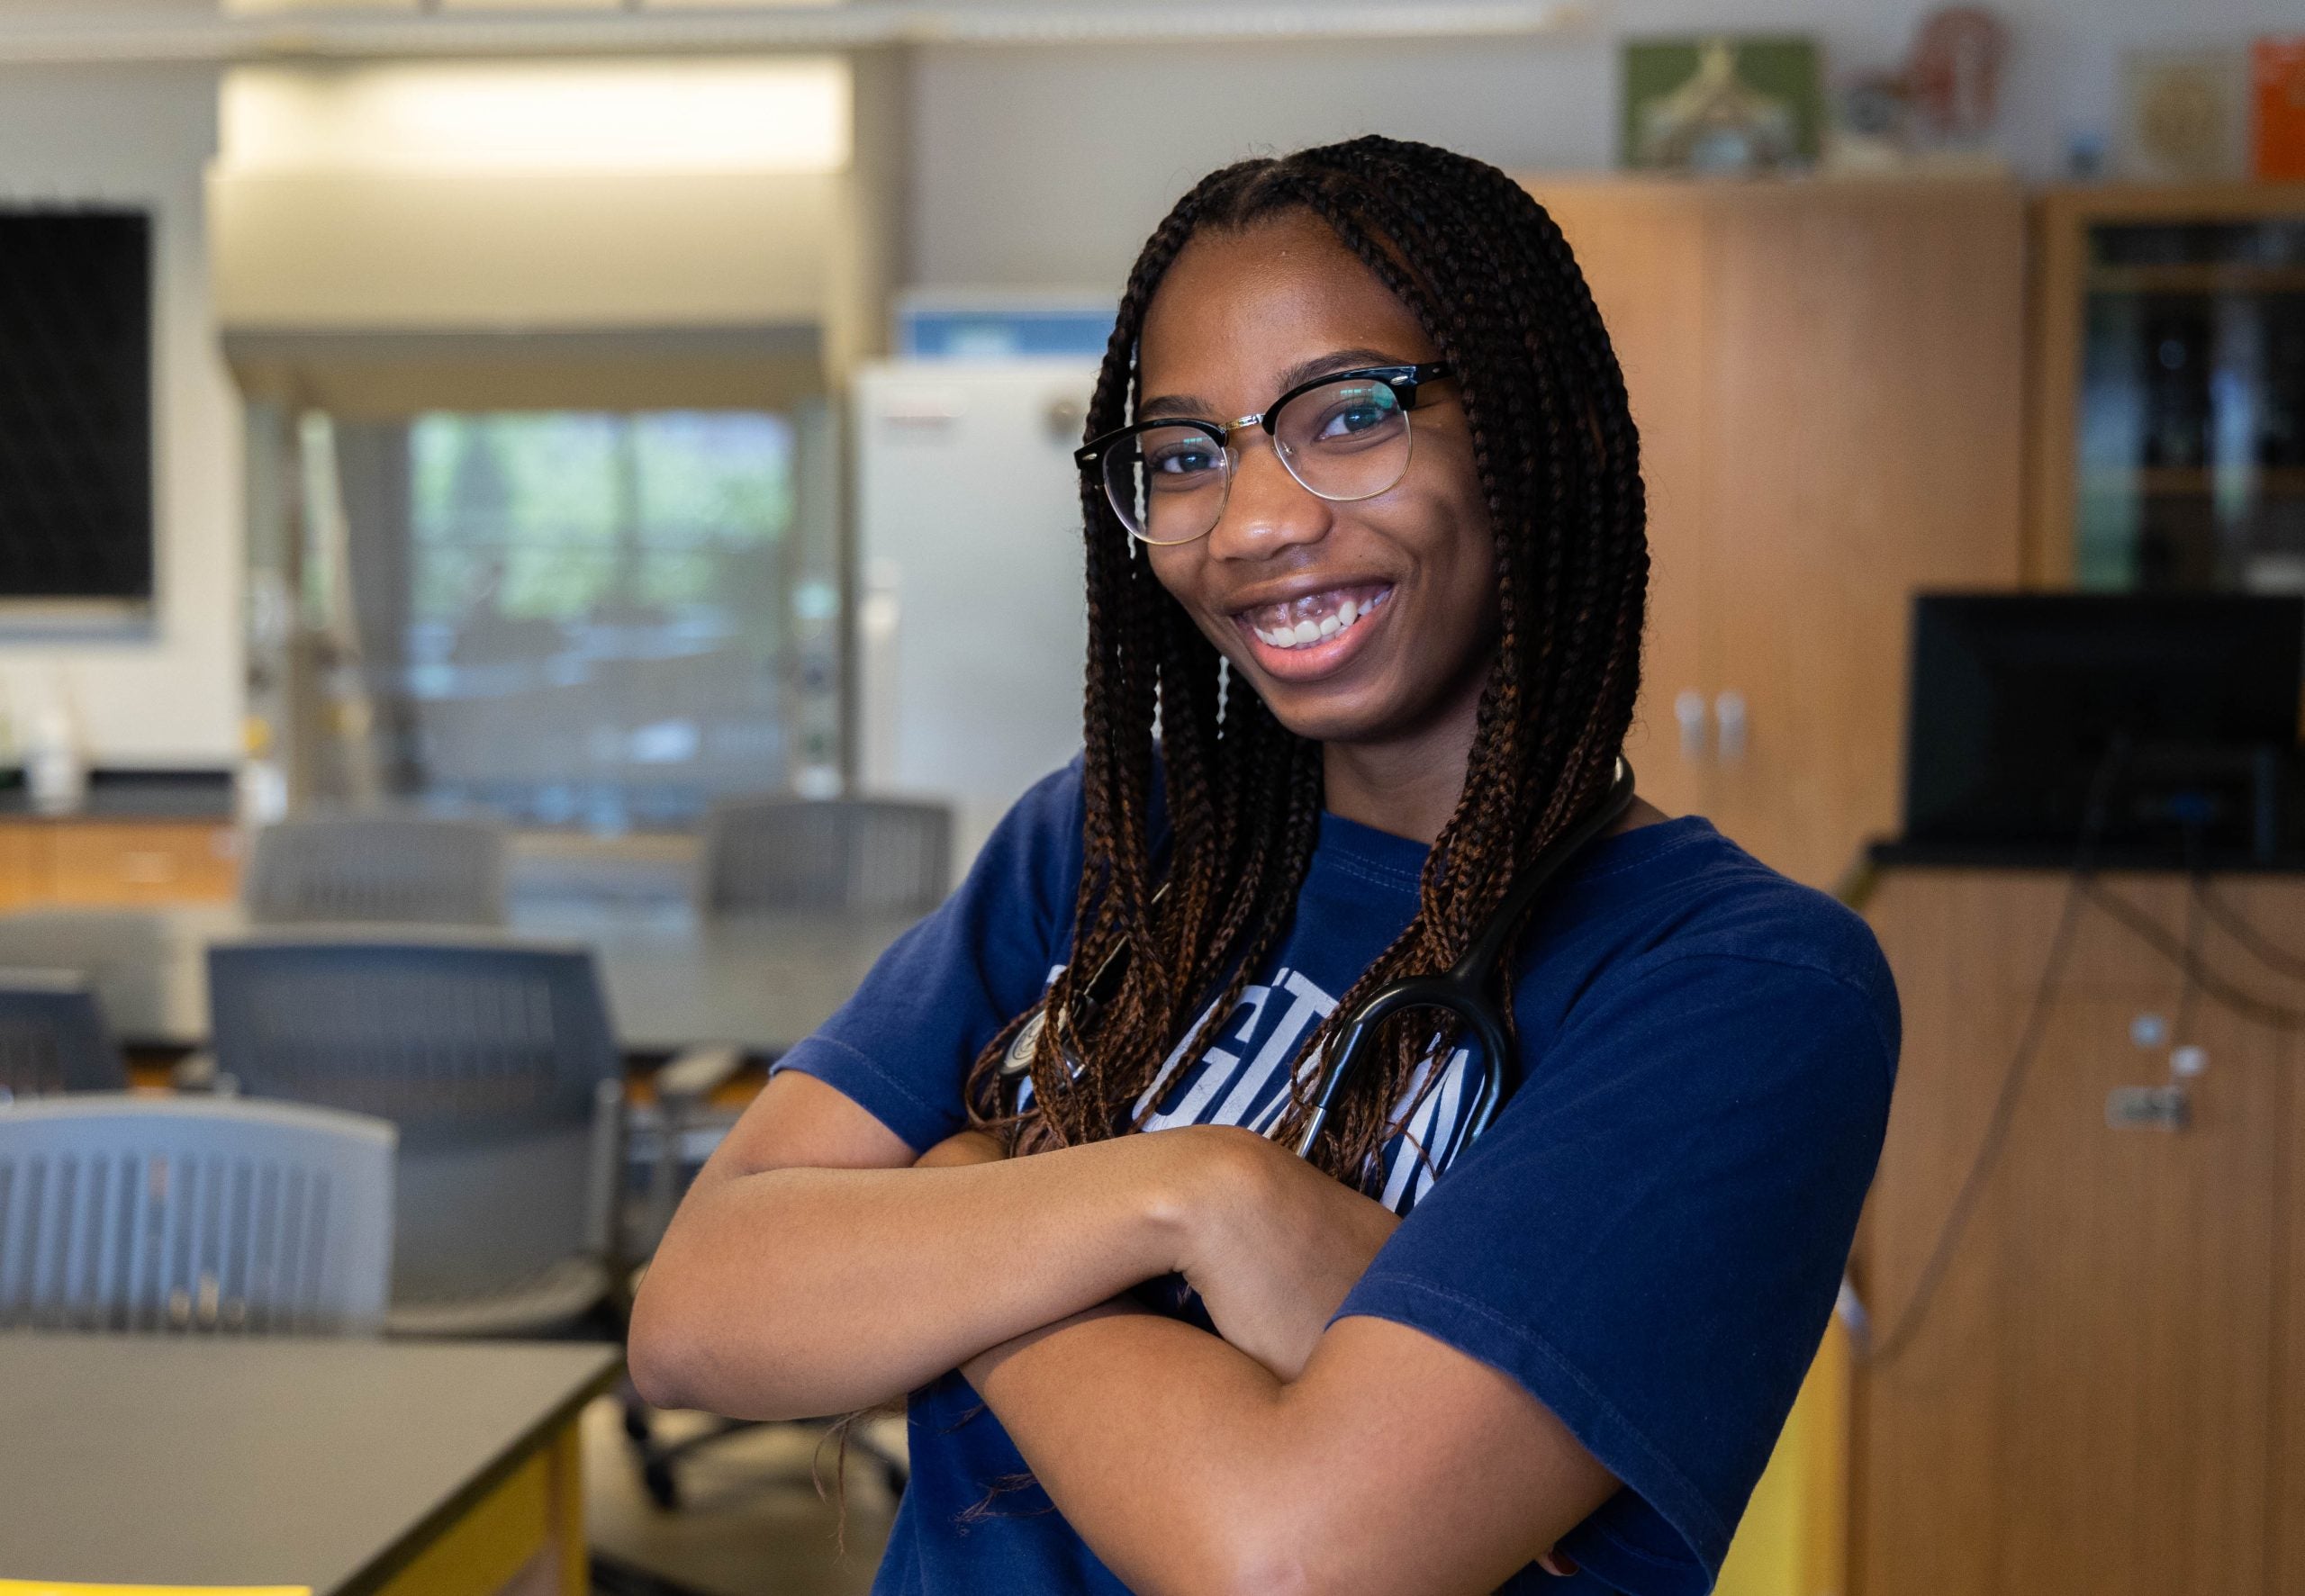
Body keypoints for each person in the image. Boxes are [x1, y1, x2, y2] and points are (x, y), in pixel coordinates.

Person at [630, 136, 1897, 1595]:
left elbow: (1294, 1556)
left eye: (1349, 415)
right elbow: (696, 1309)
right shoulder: (1113, 841)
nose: (1257, 523)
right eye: (1184, 454)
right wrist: (1193, 1195)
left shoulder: (1737, 984)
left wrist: (970, 1197)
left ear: (1524, 430)